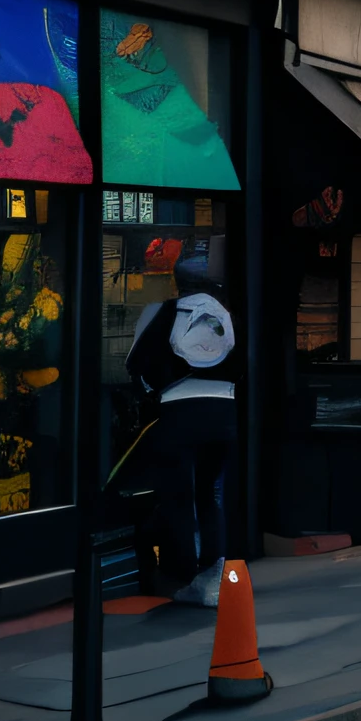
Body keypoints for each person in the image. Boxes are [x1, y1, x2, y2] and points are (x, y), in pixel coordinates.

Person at [129, 252, 243, 606]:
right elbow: (243, 364)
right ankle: (212, 576)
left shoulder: (162, 312)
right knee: (209, 494)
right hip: (223, 412)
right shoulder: (225, 317)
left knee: (177, 496)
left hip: (176, 414)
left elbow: (136, 363)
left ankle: (180, 576)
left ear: (177, 282)